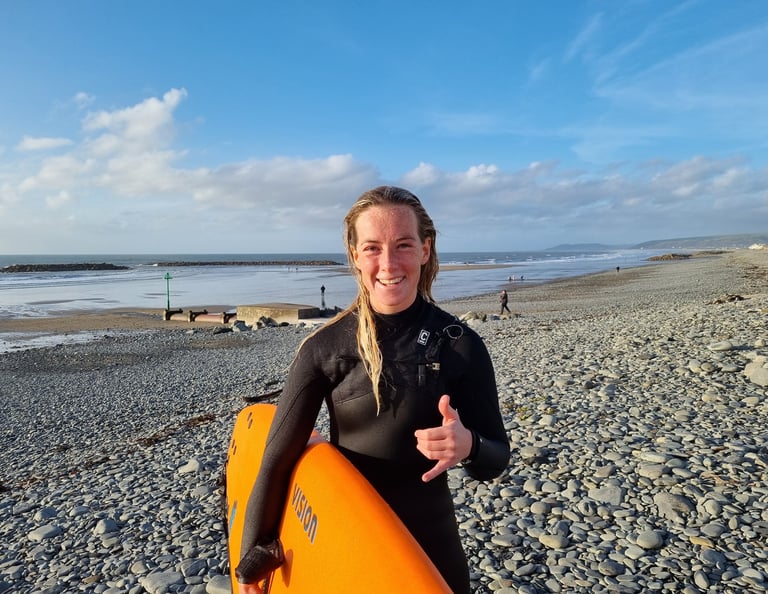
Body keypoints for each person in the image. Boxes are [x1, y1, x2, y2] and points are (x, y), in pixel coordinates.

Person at [235, 186, 510, 594]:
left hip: (430, 548)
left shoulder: (459, 344)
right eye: (372, 248)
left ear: (425, 250)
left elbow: (497, 457)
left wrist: (467, 445)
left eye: (403, 245)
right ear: (354, 256)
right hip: (348, 543)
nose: (387, 263)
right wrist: (251, 559)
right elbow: (277, 458)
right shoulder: (325, 348)